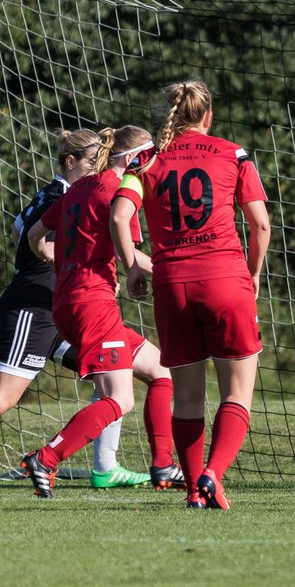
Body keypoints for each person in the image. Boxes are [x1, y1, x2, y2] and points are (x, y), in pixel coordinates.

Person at [0, 129, 156, 495]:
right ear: (70, 162)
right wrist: (66, 262)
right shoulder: (65, 194)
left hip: (65, 305)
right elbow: (31, 238)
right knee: (3, 394)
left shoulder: (59, 193)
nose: (95, 171)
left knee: (126, 369)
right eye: (90, 163)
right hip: (35, 306)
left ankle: (106, 467)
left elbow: (17, 230)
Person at [111, 80, 271, 510]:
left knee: (185, 396)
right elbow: (260, 226)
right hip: (226, 280)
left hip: (172, 286)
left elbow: (119, 213)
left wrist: (131, 267)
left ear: (171, 116)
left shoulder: (145, 159)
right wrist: (252, 274)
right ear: (208, 117)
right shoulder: (233, 153)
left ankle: (190, 492)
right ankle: (212, 475)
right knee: (237, 393)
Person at [19, 126, 181, 498]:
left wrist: (63, 264)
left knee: (161, 371)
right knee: (119, 399)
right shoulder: (117, 191)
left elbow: (33, 237)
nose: (152, 164)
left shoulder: (77, 189)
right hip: (93, 304)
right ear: (132, 159)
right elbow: (130, 249)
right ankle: (45, 457)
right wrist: (170, 270)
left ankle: (163, 465)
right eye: (149, 156)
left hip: (69, 300)